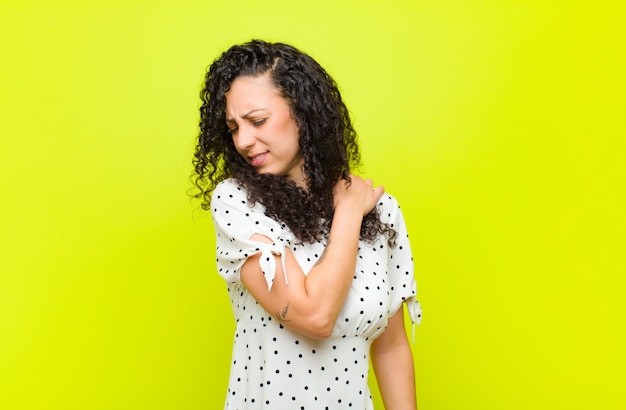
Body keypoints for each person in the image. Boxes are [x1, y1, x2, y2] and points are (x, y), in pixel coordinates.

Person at [192, 39, 422, 409]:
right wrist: (347, 213)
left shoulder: (381, 212)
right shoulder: (237, 202)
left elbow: (392, 348)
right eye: (233, 127)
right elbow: (314, 316)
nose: (244, 141)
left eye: (257, 120)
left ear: (304, 112)